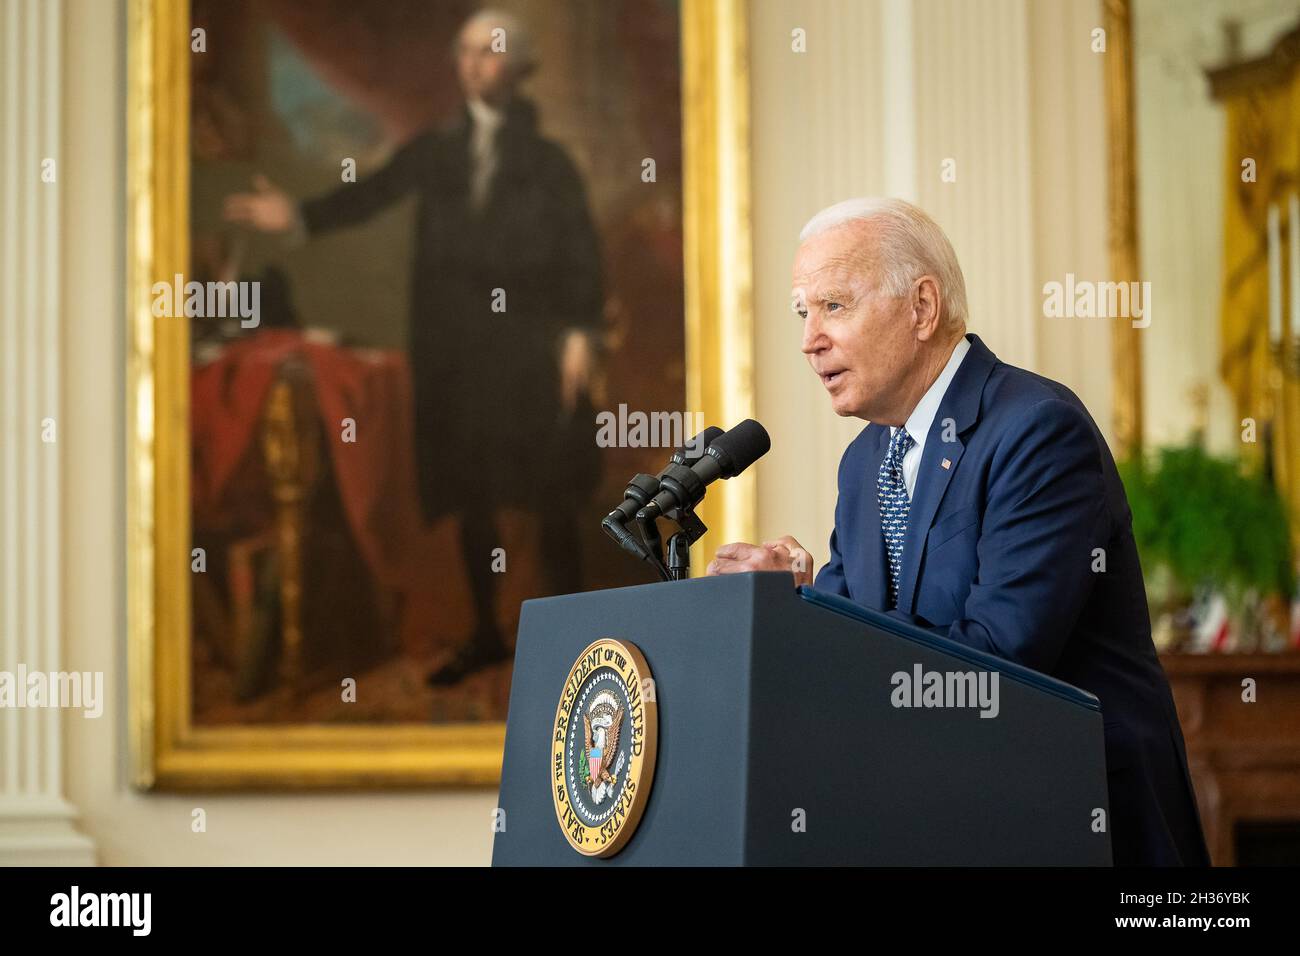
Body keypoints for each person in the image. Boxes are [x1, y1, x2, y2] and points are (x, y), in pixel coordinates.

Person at [706, 197, 1210, 866]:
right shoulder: (864, 463)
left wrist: (812, 611)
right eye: (803, 312)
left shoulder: (1035, 429)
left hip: (1077, 826)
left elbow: (995, 667)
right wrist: (788, 606)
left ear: (921, 307)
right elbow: (843, 660)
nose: (810, 339)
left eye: (834, 306)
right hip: (943, 823)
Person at [224, 10, 604, 685]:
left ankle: (577, 640)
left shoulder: (549, 164)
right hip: (456, 352)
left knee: (549, 493)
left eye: (487, 53)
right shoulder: (437, 150)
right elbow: (372, 193)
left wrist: (578, 335)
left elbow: (581, 252)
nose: (471, 65)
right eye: (463, 53)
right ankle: (487, 633)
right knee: (470, 492)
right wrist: (299, 217)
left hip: (528, 350)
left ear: (518, 67)